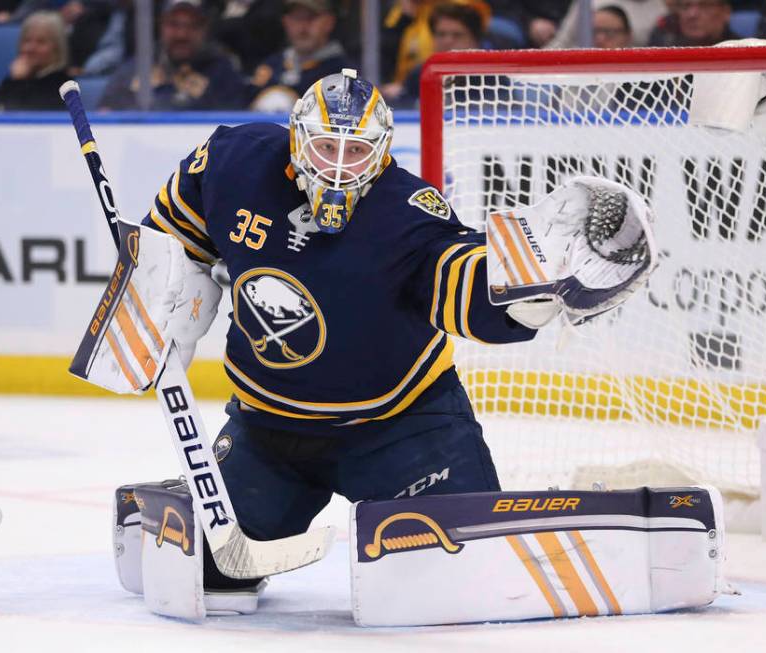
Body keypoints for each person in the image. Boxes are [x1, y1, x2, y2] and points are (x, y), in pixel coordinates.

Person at [140, 69, 547, 595]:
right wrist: (165, 281)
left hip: (402, 428)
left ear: (381, 152)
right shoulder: (233, 161)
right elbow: (174, 228)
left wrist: (526, 298)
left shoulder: (408, 212)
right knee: (202, 575)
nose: (336, 166)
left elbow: (460, 280)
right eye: (325, 145)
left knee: (456, 578)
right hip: (267, 431)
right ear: (296, 138)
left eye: (355, 152)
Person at [97, 0, 246, 110]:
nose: (182, 34)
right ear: (162, 25)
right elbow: (106, 111)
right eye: (174, 24)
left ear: (204, 29)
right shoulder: (139, 65)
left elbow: (231, 125)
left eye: (192, 26)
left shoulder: (223, 72)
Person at [248, 0, 349, 111]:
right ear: (285, 21)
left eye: (311, 18)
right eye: (296, 18)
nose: (302, 27)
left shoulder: (343, 72)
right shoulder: (271, 65)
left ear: (329, 22)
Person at [381, 0, 485, 108]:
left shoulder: (491, 77)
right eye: (441, 34)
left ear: (475, 40)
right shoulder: (420, 74)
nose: (447, 41)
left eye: (457, 35)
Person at [0, 10, 68, 110]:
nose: (30, 48)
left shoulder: (63, 85)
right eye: (27, 41)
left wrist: (18, 82)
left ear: (57, 47)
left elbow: (20, 113)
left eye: (41, 42)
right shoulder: (12, 79)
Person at [647, 0, 738, 47]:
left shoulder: (742, 50)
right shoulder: (663, 46)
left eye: (704, 5)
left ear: (726, 12)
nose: (692, 15)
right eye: (686, 6)